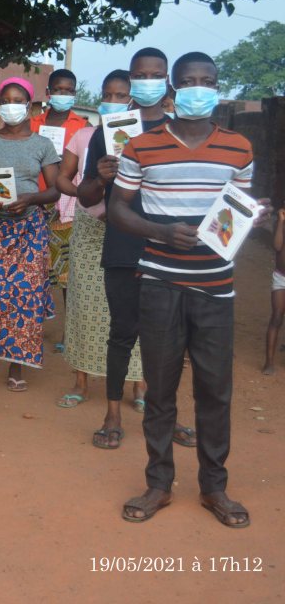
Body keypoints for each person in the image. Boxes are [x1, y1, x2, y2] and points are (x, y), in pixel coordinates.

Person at [110, 52, 263, 527]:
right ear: (174, 89)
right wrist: (158, 232)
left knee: (215, 391)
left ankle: (214, 487)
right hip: (159, 282)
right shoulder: (141, 146)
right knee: (160, 390)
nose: (201, 88)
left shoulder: (239, 148)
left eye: (209, 80)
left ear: (218, 87)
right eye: (190, 81)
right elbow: (118, 209)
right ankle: (159, 483)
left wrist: (259, 216)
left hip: (216, 288)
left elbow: (239, 210)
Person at [78, 48, 193, 450]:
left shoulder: (182, 132)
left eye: (156, 73)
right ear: (131, 79)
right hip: (124, 246)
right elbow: (85, 194)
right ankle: (112, 415)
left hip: (171, 247)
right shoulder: (107, 131)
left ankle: (169, 416)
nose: (148, 80)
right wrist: (101, 176)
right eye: (141, 74)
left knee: (170, 337)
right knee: (122, 333)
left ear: (167, 80)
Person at [54, 70, 144, 410]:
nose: (114, 101)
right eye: (108, 94)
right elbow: (64, 179)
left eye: (121, 96)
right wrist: (88, 194)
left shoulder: (144, 137)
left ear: (132, 99)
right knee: (85, 304)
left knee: (133, 307)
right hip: (92, 228)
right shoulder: (85, 136)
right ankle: (81, 382)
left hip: (134, 227)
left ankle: (139, 387)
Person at [0, 77, 60, 392]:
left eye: (18, 100)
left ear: (30, 106)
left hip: (29, 230)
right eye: (5, 99)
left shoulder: (42, 145)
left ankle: (16, 367)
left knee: (23, 297)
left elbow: (55, 191)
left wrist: (31, 199)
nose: (11, 105)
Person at [29, 68, 90, 346]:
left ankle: (70, 332)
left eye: (69, 91)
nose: (64, 95)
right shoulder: (32, 124)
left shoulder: (84, 126)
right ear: (48, 93)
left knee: (66, 271)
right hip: (34, 201)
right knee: (35, 269)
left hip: (67, 206)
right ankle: (31, 327)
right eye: (59, 90)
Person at [263, 208, 285, 375]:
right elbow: (277, 246)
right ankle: (269, 362)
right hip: (281, 277)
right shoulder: (281, 223)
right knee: (277, 316)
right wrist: (281, 221)